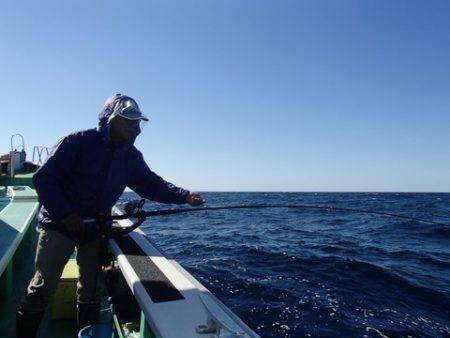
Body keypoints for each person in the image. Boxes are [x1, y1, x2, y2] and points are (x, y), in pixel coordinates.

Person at [16, 93, 204, 338]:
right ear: (111, 120)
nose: (136, 129)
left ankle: (85, 332)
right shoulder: (77, 142)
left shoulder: (131, 157)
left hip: (95, 228)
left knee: (91, 290)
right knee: (42, 288)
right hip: (58, 226)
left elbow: (151, 184)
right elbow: (44, 178)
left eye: (138, 123)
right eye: (129, 122)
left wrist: (185, 195)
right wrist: (66, 214)